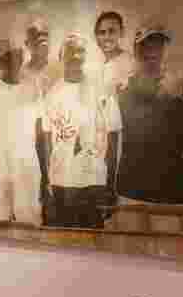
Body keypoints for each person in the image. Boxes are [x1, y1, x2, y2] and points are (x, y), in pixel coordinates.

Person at [114, 24, 183, 229]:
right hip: (130, 192)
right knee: (126, 247)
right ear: (136, 50)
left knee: (168, 247)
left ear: (165, 49)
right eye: (145, 45)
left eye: (158, 45)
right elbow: (109, 143)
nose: (151, 51)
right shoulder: (122, 89)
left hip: (170, 193)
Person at [41, 34, 122, 228]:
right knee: (63, 240)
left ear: (85, 56)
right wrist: (46, 180)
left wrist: (111, 183)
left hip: (94, 181)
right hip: (62, 181)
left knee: (93, 240)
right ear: (61, 57)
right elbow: (46, 138)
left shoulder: (101, 91)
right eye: (70, 52)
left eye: (80, 52)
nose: (75, 57)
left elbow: (113, 135)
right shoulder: (52, 94)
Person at [0, 39, 43, 226]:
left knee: (29, 226)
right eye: (4, 59)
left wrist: (45, 177)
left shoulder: (33, 90)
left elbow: (41, 134)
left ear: (21, 59)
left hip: (27, 169)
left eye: (14, 57)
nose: (9, 63)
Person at [94, 11, 136, 96]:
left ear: (121, 32)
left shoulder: (129, 63)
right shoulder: (95, 63)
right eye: (102, 32)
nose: (107, 37)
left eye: (112, 31)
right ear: (97, 36)